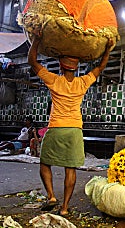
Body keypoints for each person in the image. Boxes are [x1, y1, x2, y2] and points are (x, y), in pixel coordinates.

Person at [28, 34, 115, 216]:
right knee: (71, 169)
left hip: (56, 128)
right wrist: (107, 49)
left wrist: (36, 40)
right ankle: (65, 208)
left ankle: (51, 196)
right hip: (74, 130)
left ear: (61, 66)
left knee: (45, 164)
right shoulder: (82, 82)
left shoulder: (54, 80)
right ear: (75, 69)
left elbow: (32, 61)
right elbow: (100, 67)